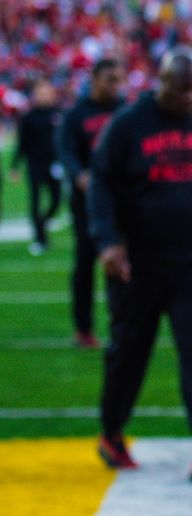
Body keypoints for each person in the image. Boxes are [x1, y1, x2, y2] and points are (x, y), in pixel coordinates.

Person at [89, 46, 192, 481]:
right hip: (136, 264)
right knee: (129, 350)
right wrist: (108, 243)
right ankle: (112, 432)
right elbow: (100, 184)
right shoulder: (128, 125)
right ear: (162, 82)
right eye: (182, 88)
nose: (190, 97)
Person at [57, 58, 126, 349]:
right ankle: (83, 328)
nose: (115, 86)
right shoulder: (76, 114)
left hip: (119, 201)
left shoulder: (125, 110)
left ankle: (120, 326)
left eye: (118, 80)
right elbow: (65, 150)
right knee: (85, 264)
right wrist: (79, 175)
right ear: (95, 79)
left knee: (119, 262)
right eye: (110, 79)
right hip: (85, 203)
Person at [11, 80, 63, 256]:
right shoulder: (29, 116)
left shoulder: (59, 113)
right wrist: (15, 166)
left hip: (54, 165)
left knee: (57, 200)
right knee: (35, 202)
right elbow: (22, 143)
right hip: (35, 164)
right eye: (40, 92)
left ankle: (42, 223)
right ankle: (40, 239)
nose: (44, 96)